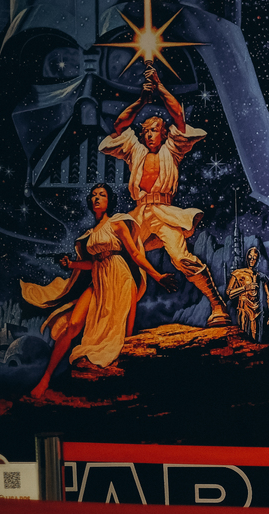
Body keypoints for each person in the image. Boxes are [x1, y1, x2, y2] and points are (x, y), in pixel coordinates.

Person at [99, 63, 232, 328]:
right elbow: (119, 126)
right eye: (146, 131)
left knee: (181, 259)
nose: (149, 135)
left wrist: (159, 87)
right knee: (114, 254)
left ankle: (217, 305)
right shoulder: (135, 150)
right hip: (139, 215)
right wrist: (141, 100)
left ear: (163, 133)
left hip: (163, 213)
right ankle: (111, 320)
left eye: (154, 130)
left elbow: (179, 118)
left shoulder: (171, 149)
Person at [21, 183, 178, 398]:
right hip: (98, 280)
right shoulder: (90, 234)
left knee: (123, 336)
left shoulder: (117, 223)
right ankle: (46, 378)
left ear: (109, 200)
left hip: (120, 279)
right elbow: (93, 263)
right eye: (93, 195)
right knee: (73, 324)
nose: (96, 198)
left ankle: (122, 388)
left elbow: (135, 254)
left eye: (102, 195)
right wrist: (71, 264)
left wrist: (157, 276)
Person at [227, 246, 269, 342]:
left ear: (258, 260)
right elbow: (229, 293)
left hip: (257, 309)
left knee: (256, 337)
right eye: (250, 257)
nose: (251, 260)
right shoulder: (238, 274)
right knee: (243, 336)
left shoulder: (262, 277)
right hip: (244, 308)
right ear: (247, 258)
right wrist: (245, 288)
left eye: (254, 258)